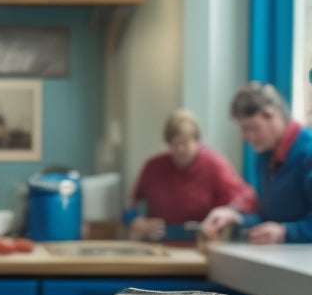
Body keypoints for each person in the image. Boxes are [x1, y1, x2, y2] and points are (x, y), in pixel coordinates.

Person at [200, 82, 312, 244]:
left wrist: (286, 232)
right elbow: (270, 218)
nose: (247, 137)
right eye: (243, 129)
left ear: (271, 114)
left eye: (251, 128)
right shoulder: (264, 157)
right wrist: (235, 218)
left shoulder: (307, 153)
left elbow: (282, 226)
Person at [124, 108, 257, 243]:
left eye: (185, 143)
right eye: (175, 144)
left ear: (197, 141)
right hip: (161, 245)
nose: (180, 149)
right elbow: (130, 204)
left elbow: (245, 198)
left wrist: (228, 211)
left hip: (202, 244)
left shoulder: (215, 164)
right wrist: (135, 221)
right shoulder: (153, 167)